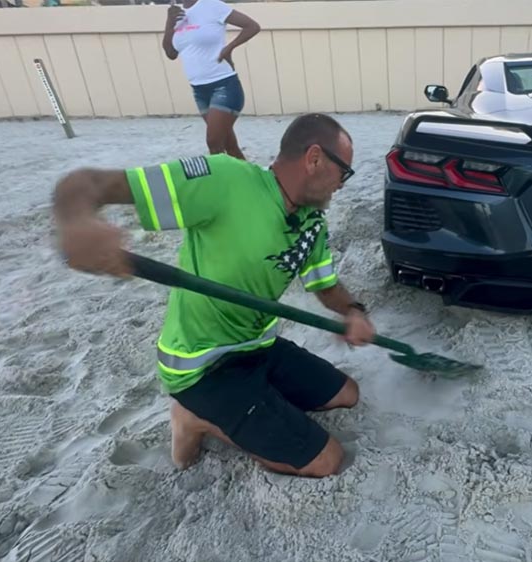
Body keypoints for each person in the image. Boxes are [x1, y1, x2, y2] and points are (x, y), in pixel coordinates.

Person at [53, 113, 373, 478]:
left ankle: (256, 406)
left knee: (347, 394)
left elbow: (325, 285)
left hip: (257, 347)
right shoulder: (224, 179)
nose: (342, 186)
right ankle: (194, 418)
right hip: (203, 365)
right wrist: (75, 223)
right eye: (343, 173)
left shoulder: (312, 223)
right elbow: (85, 184)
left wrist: (353, 311)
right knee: (327, 461)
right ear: (314, 158)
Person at [162, 0, 261, 160]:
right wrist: (169, 24)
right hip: (199, 91)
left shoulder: (212, 6)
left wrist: (228, 48)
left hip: (224, 86)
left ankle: (222, 183)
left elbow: (252, 26)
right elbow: (171, 53)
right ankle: (251, 180)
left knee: (214, 143)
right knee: (230, 145)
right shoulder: (177, 14)